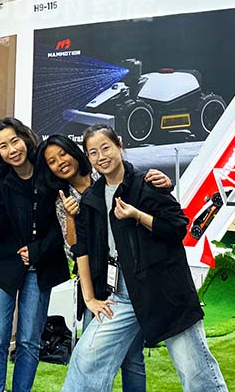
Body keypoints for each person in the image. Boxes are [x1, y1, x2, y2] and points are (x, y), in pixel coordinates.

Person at [62, 125, 228, 392]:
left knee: (195, 372)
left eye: (106, 147)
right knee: (86, 358)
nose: (101, 156)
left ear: (119, 145)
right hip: (120, 296)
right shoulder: (91, 198)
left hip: (164, 290)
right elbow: (81, 248)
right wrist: (90, 298)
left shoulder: (148, 183)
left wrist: (138, 215)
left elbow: (177, 228)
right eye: (93, 152)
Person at [39, 134, 173, 392]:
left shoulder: (103, 175)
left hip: (129, 277)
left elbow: (147, 202)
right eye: (52, 161)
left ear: (75, 152)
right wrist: (70, 215)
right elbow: (73, 248)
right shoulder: (61, 197)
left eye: (63, 154)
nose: (60, 162)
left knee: (132, 356)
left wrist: (165, 183)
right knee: (93, 355)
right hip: (95, 282)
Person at [0, 118, 69, 392]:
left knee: (29, 340)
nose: (12, 150)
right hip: (2, 267)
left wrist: (36, 250)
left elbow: (61, 225)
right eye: (3, 146)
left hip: (40, 266)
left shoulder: (48, 175)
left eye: (14, 141)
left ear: (25, 138)